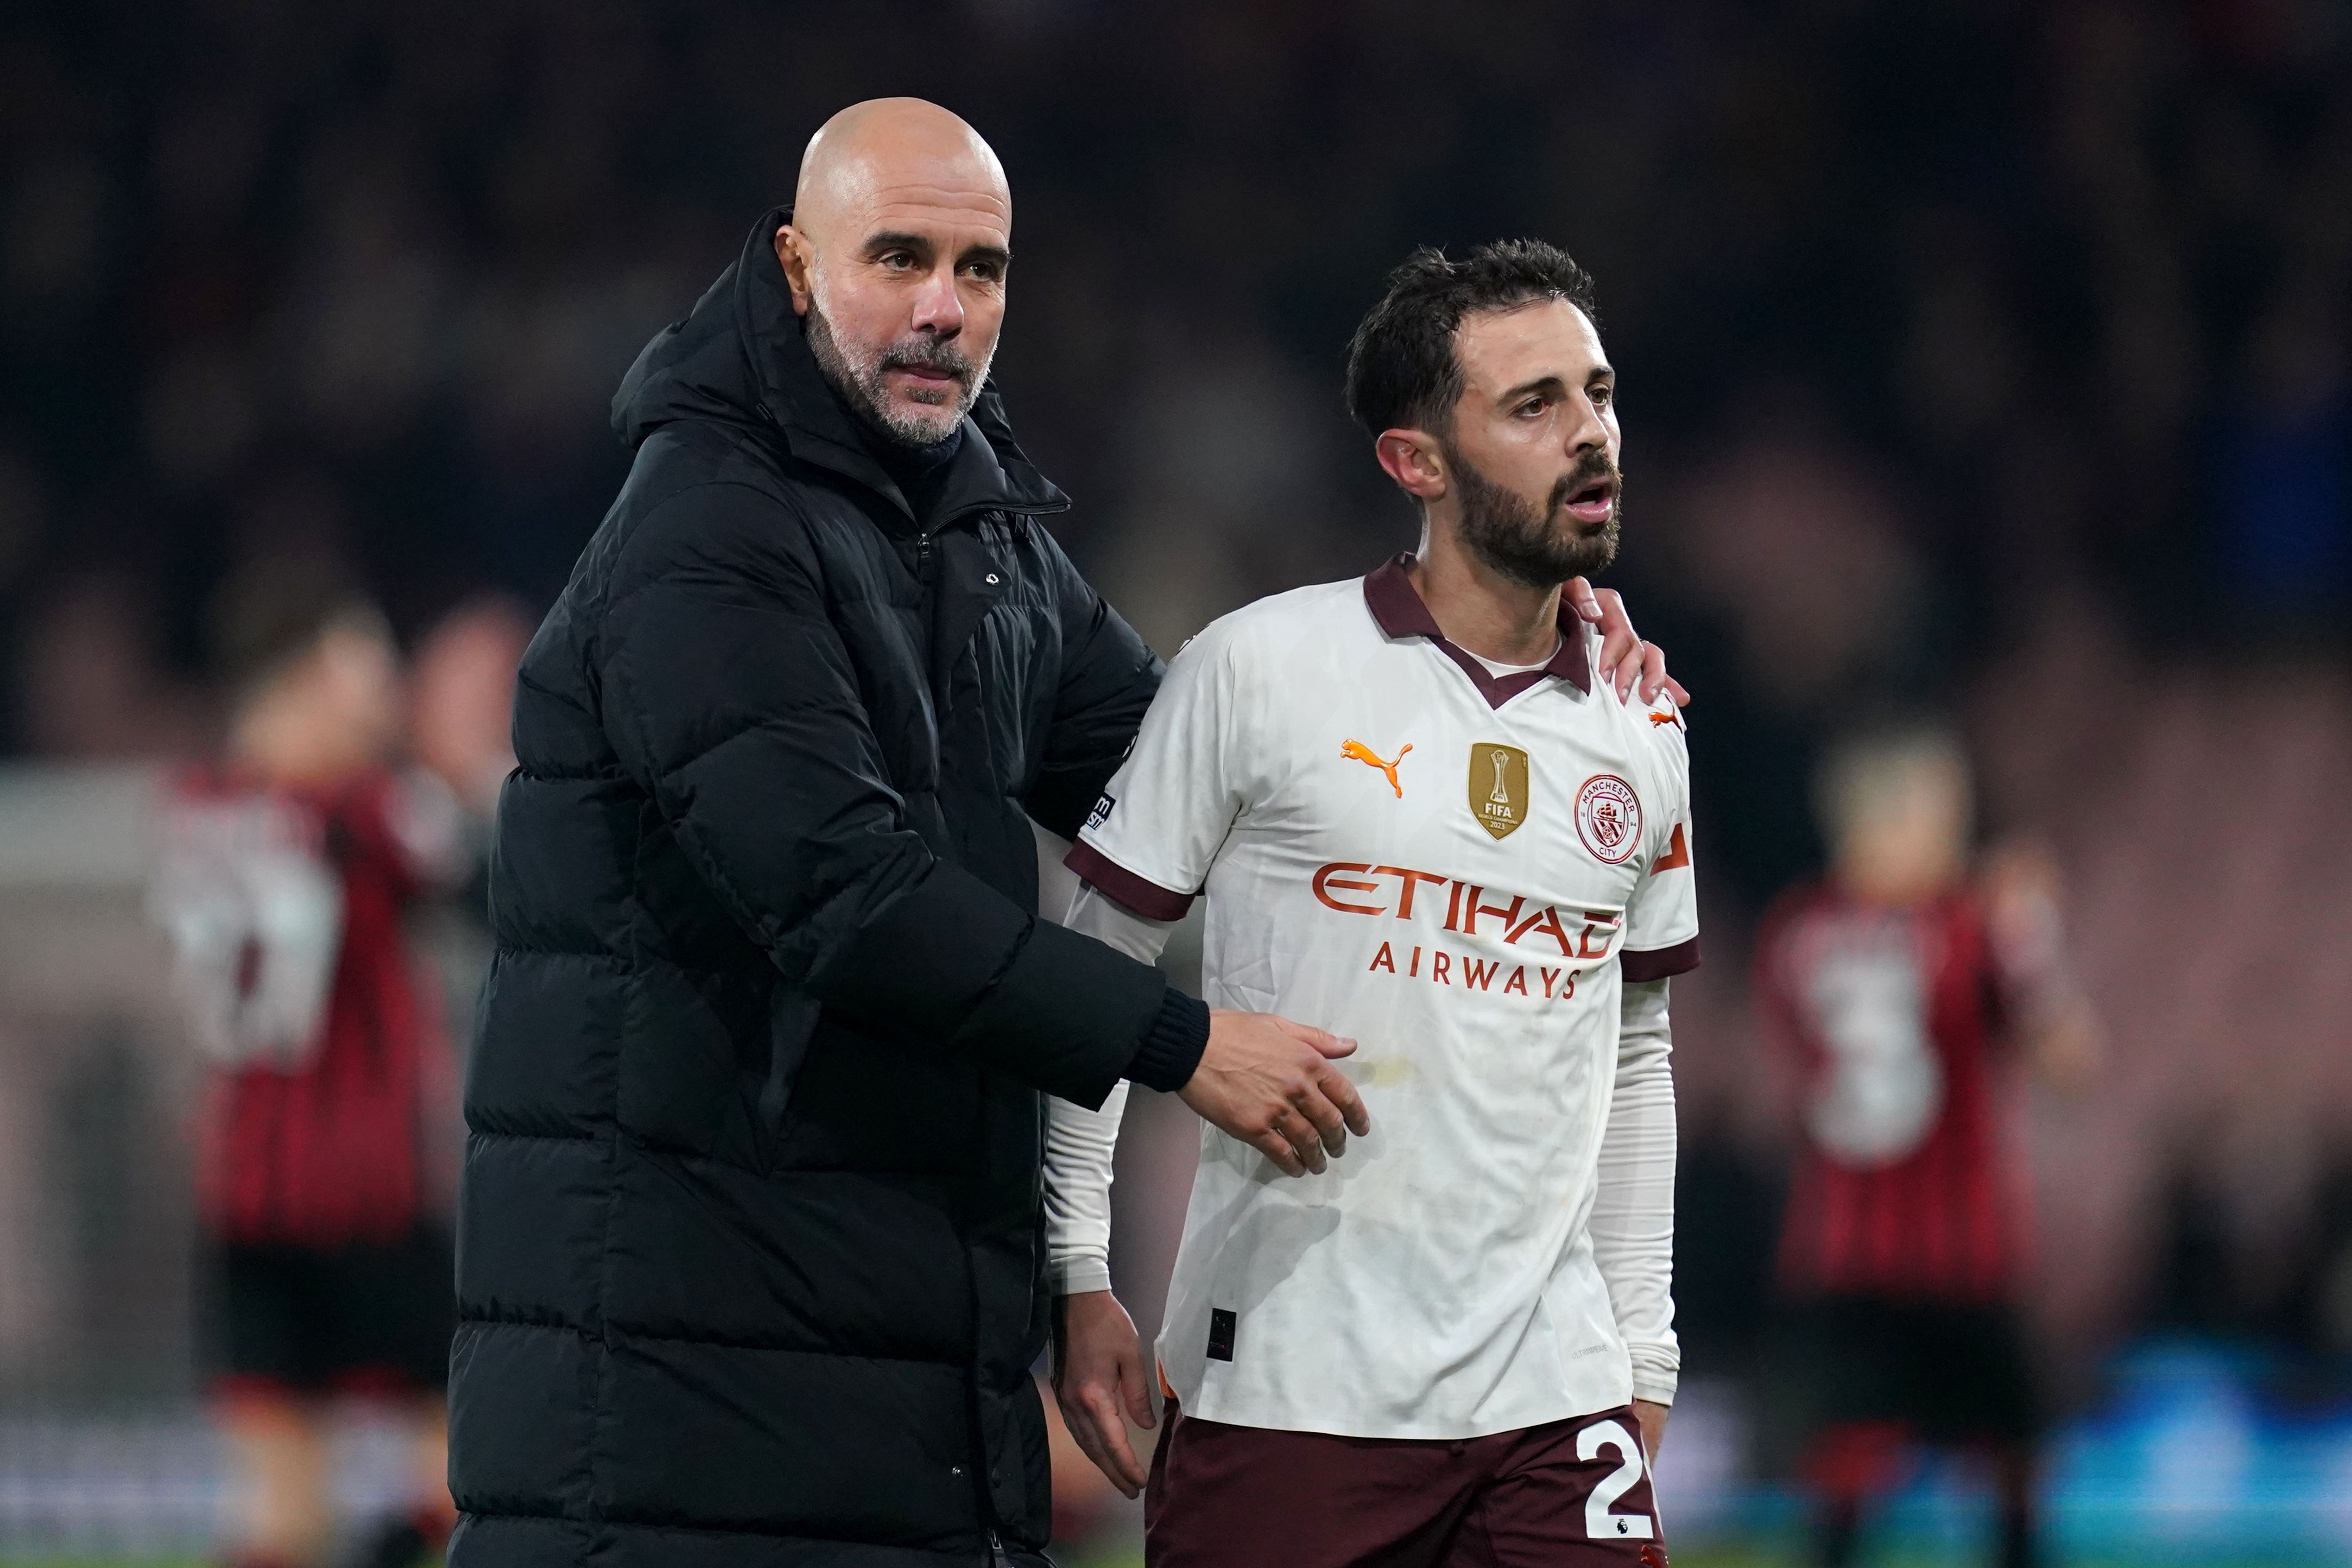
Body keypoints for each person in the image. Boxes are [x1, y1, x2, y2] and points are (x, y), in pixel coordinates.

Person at [448, 100, 1679, 1567]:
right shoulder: (705, 531)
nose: (941, 308)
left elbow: (1216, 772)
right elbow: (840, 892)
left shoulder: (976, 534)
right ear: (792, 264)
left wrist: (1514, 671)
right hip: (669, 1384)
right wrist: (1175, 1041)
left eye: (980, 269)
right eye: (896, 257)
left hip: (881, 1351)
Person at [1047, 241, 1696, 1566]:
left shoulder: (1645, 729)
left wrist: (1644, 1346)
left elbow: (1636, 1052)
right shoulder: (1259, 670)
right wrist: (1075, 1270)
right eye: (1534, 406)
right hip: (1284, 1388)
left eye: (1600, 393)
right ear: (1418, 463)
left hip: (1554, 1406)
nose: (1591, 435)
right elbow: (1091, 974)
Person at [151, 562, 467, 1568]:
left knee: (277, 1516)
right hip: (367, 1196)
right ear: (309, 675)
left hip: (245, 1195)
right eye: (363, 659)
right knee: (483, 1459)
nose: (383, 684)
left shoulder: (194, 805)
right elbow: (478, 877)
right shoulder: (369, 816)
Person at [1753, 728, 2098, 1568]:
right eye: (1940, 817)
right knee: (2014, 1469)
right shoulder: (1972, 924)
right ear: (1885, 822)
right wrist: (2027, 933)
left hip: (1842, 1249)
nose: (1953, 838)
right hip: (1965, 1249)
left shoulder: (1794, 930)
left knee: (1843, 1474)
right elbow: (2071, 1064)